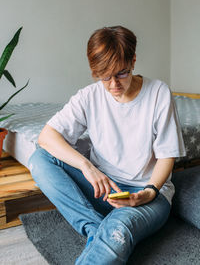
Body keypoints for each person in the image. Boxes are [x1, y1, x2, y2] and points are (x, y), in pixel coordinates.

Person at [29, 26, 186, 264]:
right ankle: (95, 229)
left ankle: (106, 233)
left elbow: (167, 156)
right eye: (104, 77)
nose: (113, 84)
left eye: (121, 73)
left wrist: (150, 192)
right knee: (39, 159)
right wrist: (87, 166)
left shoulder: (158, 93)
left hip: (147, 193)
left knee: (118, 231)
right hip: (104, 188)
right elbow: (46, 136)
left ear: (133, 61)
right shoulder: (88, 96)